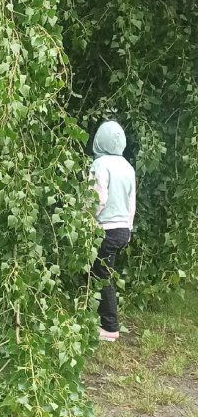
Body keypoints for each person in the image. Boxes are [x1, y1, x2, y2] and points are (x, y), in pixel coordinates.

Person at [90, 120, 136, 342]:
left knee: (102, 276)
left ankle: (109, 328)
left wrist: (87, 219)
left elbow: (98, 199)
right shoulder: (127, 167)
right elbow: (131, 202)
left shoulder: (100, 165)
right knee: (99, 271)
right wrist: (129, 227)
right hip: (122, 230)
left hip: (104, 229)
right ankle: (92, 314)